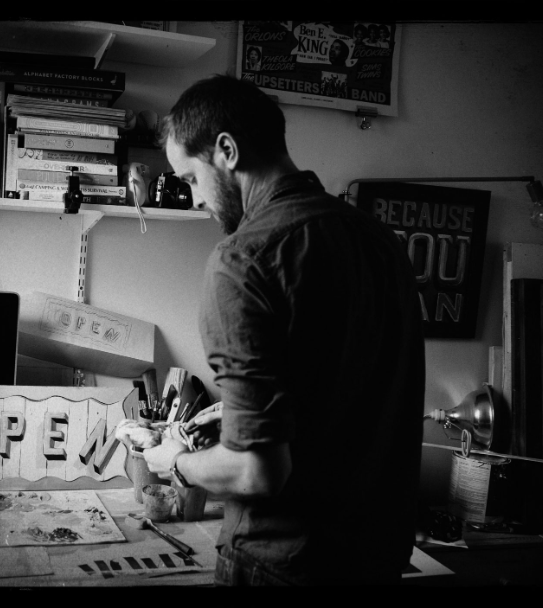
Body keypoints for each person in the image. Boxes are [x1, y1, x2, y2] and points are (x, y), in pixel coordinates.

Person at [143, 74, 426, 586]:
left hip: (285, 564)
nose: (196, 199)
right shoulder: (381, 241)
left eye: (190, 179)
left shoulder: (242, 261)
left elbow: (258, 472)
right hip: (377, 558)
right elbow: (339, 388)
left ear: (226, 149)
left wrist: (177, 461)